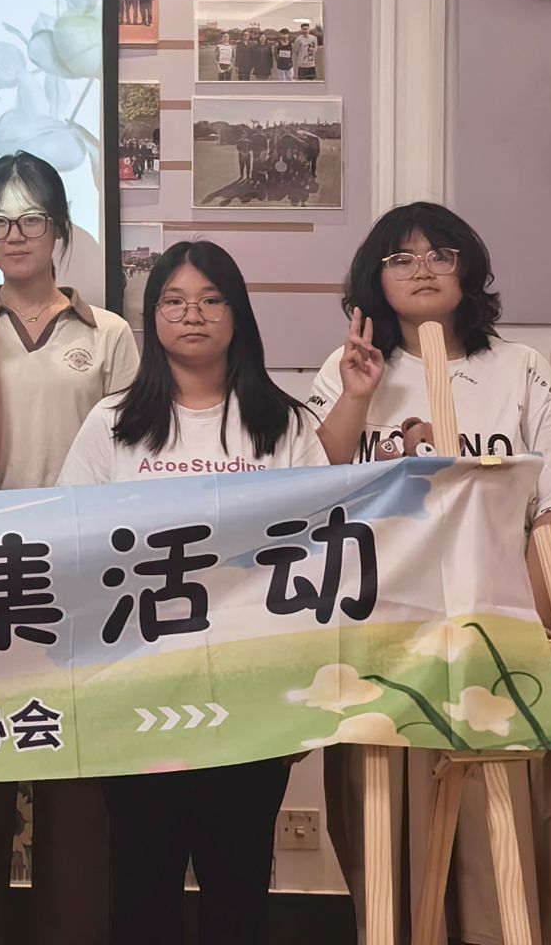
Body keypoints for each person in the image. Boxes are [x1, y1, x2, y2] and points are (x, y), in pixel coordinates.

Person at [308, 204, 551, 945]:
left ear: (467, 269)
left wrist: (525, 625)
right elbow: (309, 496)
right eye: (400, 258)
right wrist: (356, 396)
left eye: (439, 254)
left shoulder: (520, 368)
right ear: (374, 278)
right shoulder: (348, 370)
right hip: (388, 650)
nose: (421, 269)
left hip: (504, 641)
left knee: (507, 854)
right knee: (395, 853)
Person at [59, 240, 327, 945]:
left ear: (238, 316)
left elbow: (319, 562)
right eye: (174, 302)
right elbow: (71, 547)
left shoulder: (288, 425)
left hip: (253, 695)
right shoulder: (112, 423)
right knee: (141, 890)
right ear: (152, 318)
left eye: (212, 300)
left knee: (238, 891)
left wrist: (301, 699)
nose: (193, 315)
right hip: (138, 697)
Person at [0, 152, 137, 945]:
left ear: (59, 229)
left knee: (75, 787)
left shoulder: (109, 333)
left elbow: (129, 460)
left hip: (84, 577)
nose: (14, 234)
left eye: (31, 218)